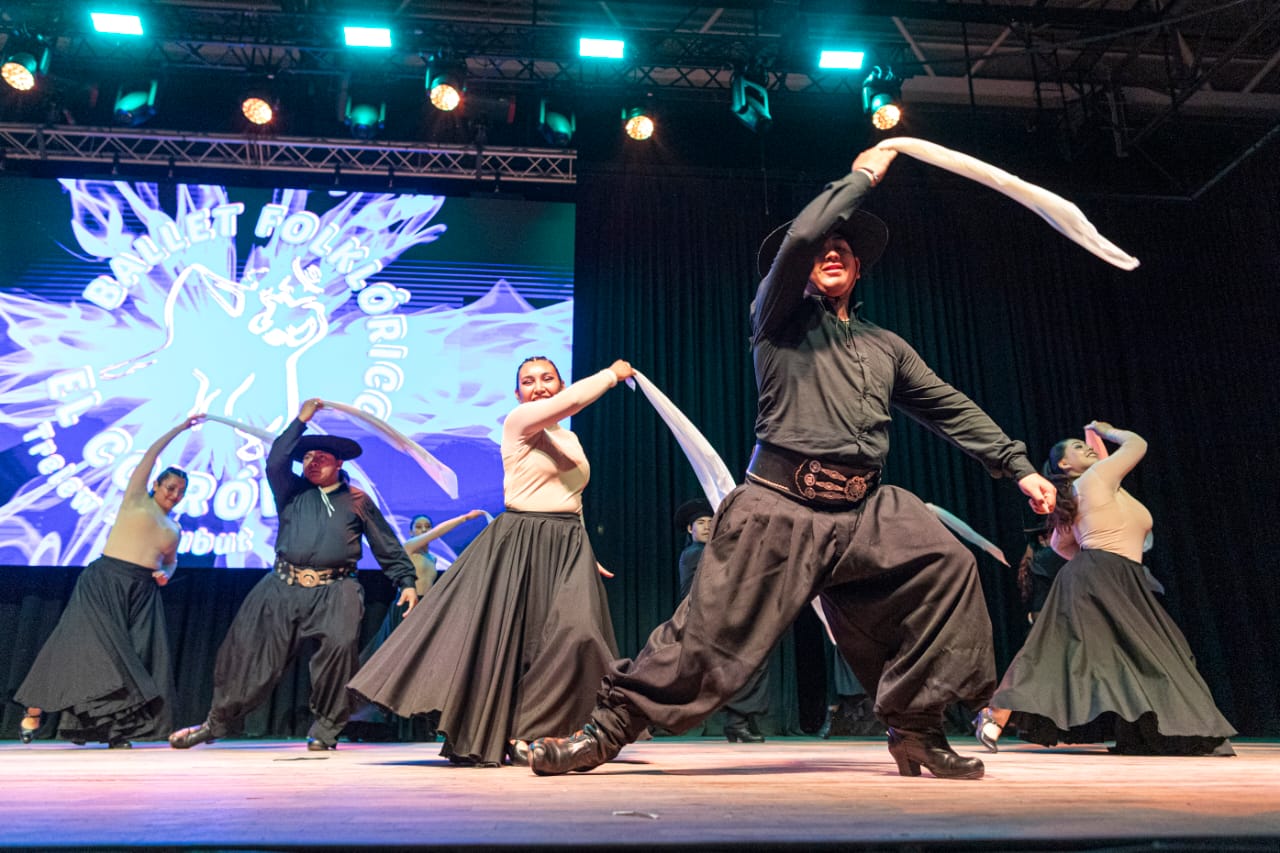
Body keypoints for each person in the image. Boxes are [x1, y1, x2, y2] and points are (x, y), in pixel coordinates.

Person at [527, 147, 1057, 780]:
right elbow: (803, 235)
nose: (830, 251)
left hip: (863, 513)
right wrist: (863, 176)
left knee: (947, 566)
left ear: (859, 269)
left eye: (844, 248)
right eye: (822, 248)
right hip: (777, 508)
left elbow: (949, 406)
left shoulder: (886, 346)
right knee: (708, 639)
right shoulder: (777, 320)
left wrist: (1019, 465)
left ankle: (916, 729)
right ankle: (604, 732)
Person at [347, 357, 632, 767]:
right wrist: (610, 375)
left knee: (579, 632)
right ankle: (521, 734)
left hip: (567, 541)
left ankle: (552, 727)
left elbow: (573, 495)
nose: (538, 386)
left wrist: (587, 547)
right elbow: (571, 403)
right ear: (518, 393)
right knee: (518, 642)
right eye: (528, 382)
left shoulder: (569, 438)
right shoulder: (519, 422)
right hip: (523, 539)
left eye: (547, 379)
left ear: (559, 382)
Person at [168, 399, 418, 751]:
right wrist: (301, 420)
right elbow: (276, 460)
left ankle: (326, 730)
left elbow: (385, 544)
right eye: (308, 458)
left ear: (338, 463)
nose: (312, 463)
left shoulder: (357, 500)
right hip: (283, 585)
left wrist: (406, 581)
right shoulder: (291, 490)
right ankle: (217, 722)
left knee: (338, 652)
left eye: (321, 458)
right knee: (248, 655)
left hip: (337, 589)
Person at [973, 422, 1236, 756]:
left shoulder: (1093, 488)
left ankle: (1146, 733)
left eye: (1083, 445)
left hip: (1120, 577)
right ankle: (995, 713)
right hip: (1102, 574)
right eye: (1075, 447)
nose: (1084, 448)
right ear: (1064, 465)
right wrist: (1106, 429)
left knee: (1142, 654)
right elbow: (1137, 444)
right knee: (1053, 649)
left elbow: (1059, 545)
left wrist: (1092, 558)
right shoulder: (1095, 478)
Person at [15, 415, 203, 747]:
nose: (175, 494)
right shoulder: (136, 500)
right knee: (84, 650)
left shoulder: (173, 529)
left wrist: (166, 575)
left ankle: (116, 731)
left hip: (141, 592)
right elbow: (150, 456)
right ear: (156, 485)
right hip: (104, 582)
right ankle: (33, 710)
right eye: (170, 487)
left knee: (131, 659)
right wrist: (180, 428)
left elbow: (171, 562)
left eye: (181, 492)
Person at [344, 509, 486, 742]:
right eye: (418, 527)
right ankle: (372, 723)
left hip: (424, 613)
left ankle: (417, 725)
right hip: (405, 610)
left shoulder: (432, 559)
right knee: (395, 664)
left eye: (426, 527)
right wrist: (463, 519)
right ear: (411, 532)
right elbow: (436, 534)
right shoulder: (408, 548)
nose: (423, 531)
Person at [674, 497, 769, 743]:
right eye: (700, 523)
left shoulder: (708, 552)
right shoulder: (696, 553)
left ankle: (740, 720)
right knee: (744, 662)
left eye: (710, 522)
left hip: (714, 618)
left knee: (749, 662)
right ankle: (738, 721)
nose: (706, 527)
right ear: (690, 529)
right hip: (704, 621)